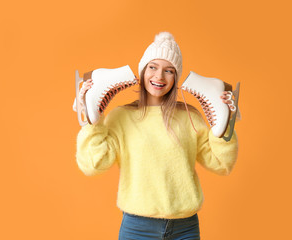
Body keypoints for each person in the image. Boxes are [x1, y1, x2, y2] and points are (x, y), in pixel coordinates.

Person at [75, 32, 239, 240]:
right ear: (142, 71)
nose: (159, 77)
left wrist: (223, 126)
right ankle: (91, 105)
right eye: (152, 67)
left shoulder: (190, 117)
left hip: (185, 227)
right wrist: (93, 123)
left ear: (176, 77)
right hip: (137, 227)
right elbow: (93, 165)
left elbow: (222, 164)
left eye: (169, 70)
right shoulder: (121, 117)